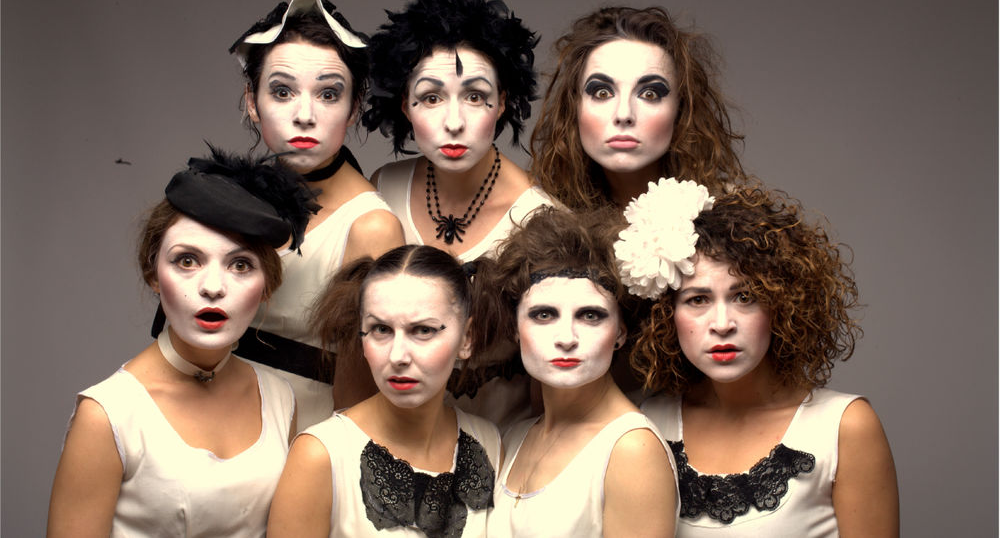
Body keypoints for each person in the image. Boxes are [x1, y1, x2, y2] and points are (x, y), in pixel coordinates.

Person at [47, 149, 316, 537]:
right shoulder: (108, 415)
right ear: (153, 273)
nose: (212, 287)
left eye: (240, 265)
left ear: (267, 286)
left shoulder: (279, 398)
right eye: (187, 260)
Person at [619, 178, 899, 536]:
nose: (722, 324)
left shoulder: (844, 426)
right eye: (698, 300)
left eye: (745, 296)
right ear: (666, 315)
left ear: (781, 303)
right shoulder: (644, 424)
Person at [230, 0, 404, 424]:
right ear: (253, 102)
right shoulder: (228, 199)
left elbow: (357, 410)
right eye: (283, 91)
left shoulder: (371, 228)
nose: (304, 114)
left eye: (328, 94)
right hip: (220, 437)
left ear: (353, 108)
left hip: (304, 454)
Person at [267, 245, 500, 537]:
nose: (397, 356)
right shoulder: (321, 455)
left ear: (467, 338)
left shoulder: (488, 441)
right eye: (380, 330)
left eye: (423, 330)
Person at [480, 206, 677, 537]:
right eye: (543, 315)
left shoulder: (631, 450)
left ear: (621, 332)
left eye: (590, 315)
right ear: (515, 327)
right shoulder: (516, 436)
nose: (567, 339)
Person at [363, 0, 551, 261]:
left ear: (501, 103)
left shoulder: (538, 217)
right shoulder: (386, 186)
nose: (454, 123)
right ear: (405, 106)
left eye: (475, 97)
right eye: (431, 98)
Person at [530, 6, 746, 210]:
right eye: (602, 93)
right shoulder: (543, 222)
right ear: (573, 107)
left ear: (680, 109)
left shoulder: (732, 221)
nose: (624, 115)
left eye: (649, 94)